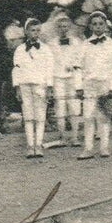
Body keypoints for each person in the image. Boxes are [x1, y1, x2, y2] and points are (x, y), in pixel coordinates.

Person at [79, 11, 112, 160]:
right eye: (94, 24)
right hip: (90, 85)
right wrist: (79, 87)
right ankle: (88, 148)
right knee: (88, 116)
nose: (98, 27)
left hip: (106, 85)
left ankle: (104, 147)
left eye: (101, 24)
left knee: (104, 117)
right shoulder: (84, 45)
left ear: (105, 25)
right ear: (90, 26)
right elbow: (77, 67)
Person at [9, 22, 52, 159]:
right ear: (26, 32)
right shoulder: (20, 49)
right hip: (25, 84)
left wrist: (49, 87)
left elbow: (49, 68)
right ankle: (30, 146)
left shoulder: (45, 49)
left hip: (40, 84)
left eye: (38, 30)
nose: (36, 33)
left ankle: (38, 145)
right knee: (28, 116)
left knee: (40, 116)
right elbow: (16, 69)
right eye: (33, 30)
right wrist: (17, 88)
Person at [43, 10, 83, 149]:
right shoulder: (50, 44)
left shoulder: (77, 42)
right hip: (57, 78)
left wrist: (73, 67)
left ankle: (75, 136)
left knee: (74, 107)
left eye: (66, 26)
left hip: (73, 78)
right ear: (56, 28)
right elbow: (48, 63)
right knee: (60, 107)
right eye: (60, 27)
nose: (63, 29)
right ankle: (62, 137)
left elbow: (80, 59)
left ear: (70, 27)